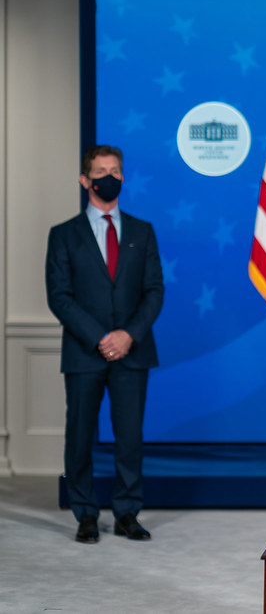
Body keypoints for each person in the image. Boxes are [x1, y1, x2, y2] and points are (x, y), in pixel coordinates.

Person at [45, 145, 164, 543]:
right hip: (84, 354)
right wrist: (100, 338)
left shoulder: (143, 231)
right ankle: (85, 515)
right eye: (100, 171)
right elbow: (59, 296)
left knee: (129, 437)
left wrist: (127, 335)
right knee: (79, 436)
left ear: (122, 177)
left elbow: (154, 292)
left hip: (132, 353)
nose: (108, 176)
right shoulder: (63, 235)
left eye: (115, 170)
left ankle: (128, 513)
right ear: (85, 180)